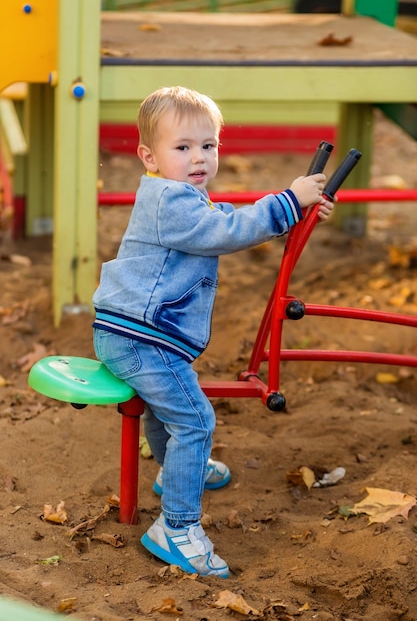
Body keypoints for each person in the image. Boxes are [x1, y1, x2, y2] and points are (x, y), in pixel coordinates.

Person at [92, 86, 333, 579]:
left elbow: (224, 219)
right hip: (139, 338)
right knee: (195, 418)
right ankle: (175, 526)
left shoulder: (183, 196)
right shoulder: (169, 202)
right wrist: (288, 201)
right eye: (183, 148)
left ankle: (179, 472)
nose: (199, 157)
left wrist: (297, 211)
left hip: (139, 334)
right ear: (150, 157)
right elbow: (224, 232)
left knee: (171, 407)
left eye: (209, 146)